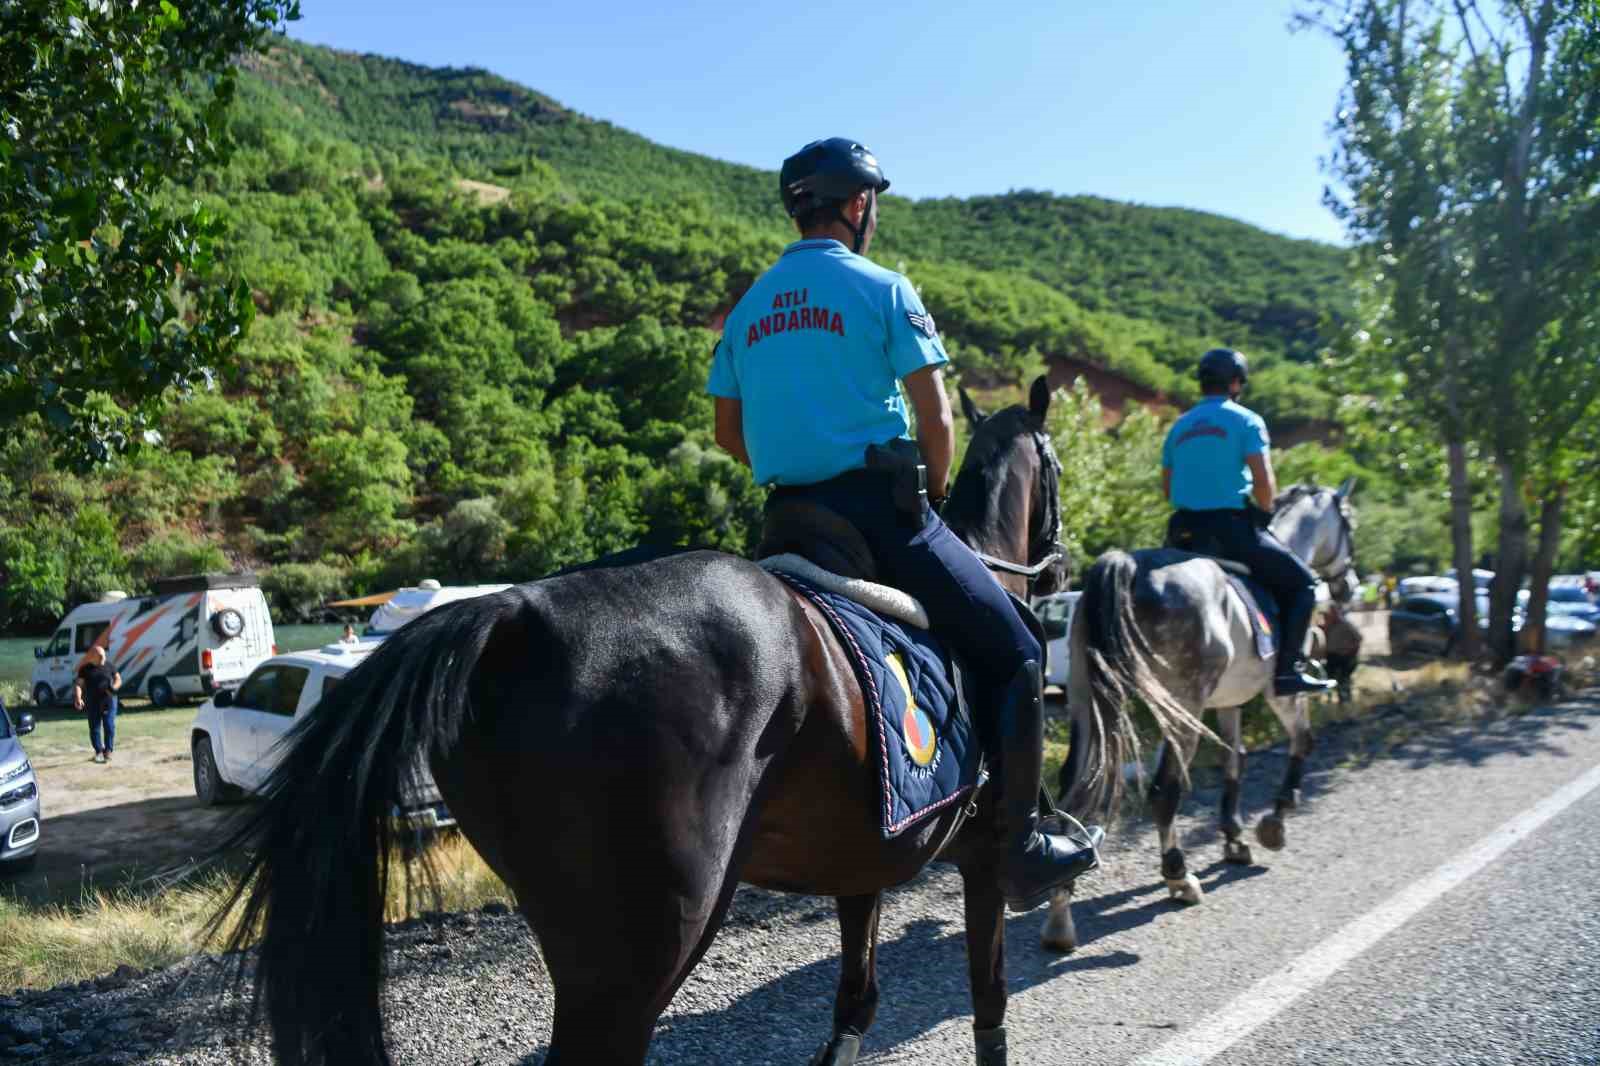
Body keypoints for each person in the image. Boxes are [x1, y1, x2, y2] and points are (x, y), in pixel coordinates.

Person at [707, 137, 1097, 911]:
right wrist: (937, 497)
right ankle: (1020, 846)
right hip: (881, 515)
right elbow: (938, 419)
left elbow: (728, 434)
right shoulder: (885, 288)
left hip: (787, 522)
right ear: (857, 206)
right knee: (1018, 649)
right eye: (870, 202)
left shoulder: (748, 309)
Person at [1161, 348, 1335, 696]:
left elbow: (1168, 487)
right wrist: (1265, 510)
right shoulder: (1246, 421)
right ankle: (1287, 672)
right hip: (1231, 529)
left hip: (1182, 531)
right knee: (1303, 586)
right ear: (1236, 382)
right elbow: (1264, 481)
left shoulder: (1179, 427)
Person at [74, 645, 121, 764]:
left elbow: (118, 679)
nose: (103, 659)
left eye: (104, 656)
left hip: (109, 701)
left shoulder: (109, 666)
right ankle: (99, 751)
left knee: (109, 725)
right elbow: (79, 684)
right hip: (93, 701)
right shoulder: (85, 669)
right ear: (93, 657)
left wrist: (114, 687)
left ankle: (108, 751)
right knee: (94, 728)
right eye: (100, 657)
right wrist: (78, 697)